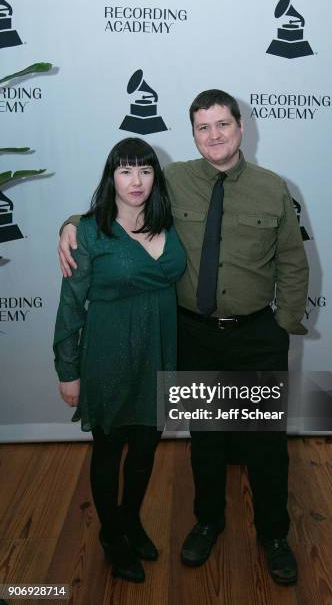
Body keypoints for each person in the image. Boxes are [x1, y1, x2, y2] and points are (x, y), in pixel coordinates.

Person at [58, 89, 309, 586]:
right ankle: (208, 520)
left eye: (223, 125)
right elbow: (115, 204)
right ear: (192, 133)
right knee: (206, 440)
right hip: (192, 333)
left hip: (255, 334)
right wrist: (68, 226)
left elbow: (292, 262)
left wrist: (281, 324)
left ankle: (274, 535)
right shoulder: (170, 180)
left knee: (264, 443)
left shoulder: (273, 187)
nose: (214, 135)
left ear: (242, 128)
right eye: (203, 127)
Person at [53, 137, 186, 583]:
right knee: (109, 451)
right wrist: (67, 371)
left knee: (146, 449)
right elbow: (71, 306)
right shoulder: (88, 231)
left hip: (159, 353)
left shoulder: (171, 220)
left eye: (145, 170)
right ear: (111, 177)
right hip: (108, 355)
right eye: (126, 170)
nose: (136, 180)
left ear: (155, 176)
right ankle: (112, 535)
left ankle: (130, 520)